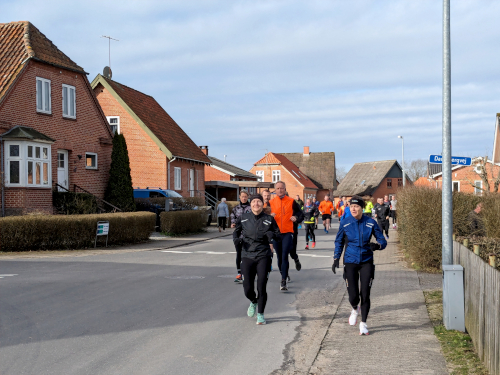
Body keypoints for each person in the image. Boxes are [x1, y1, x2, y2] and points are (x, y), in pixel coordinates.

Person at [332, 196, 387, 335]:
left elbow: (382, 240)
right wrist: (336, 258)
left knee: (365, 293)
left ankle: (363, 323)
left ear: (362, 208)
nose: (354, 209)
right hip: (350, 260)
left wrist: (377, 245)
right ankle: (355, 308)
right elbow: (338, 242)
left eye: (356, 206)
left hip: (366, 261)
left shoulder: (370, 222)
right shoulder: (345, 222)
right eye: (351, 207)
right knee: (353, 296)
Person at [233, 194, 281, 325]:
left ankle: (260, 314)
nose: (256, 204)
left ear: (262, 204)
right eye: (254, 201)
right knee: (247, 287)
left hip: (263, 255)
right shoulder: (243, 218)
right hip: (247, 255)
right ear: (250, 204)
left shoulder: (269, 219)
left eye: (259, 202)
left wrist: (272, 235)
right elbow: (236, 232)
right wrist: (236, 240)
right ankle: (253, 301)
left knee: (261, 286)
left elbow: (278, 235)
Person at [269, 181, 304, 291]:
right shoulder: (270, 202)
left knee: (285, 255)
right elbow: (263, 217)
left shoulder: (292, 201)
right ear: (275, 190)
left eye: (282, 188)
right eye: (278, 188)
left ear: (285, 189)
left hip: (288, 232)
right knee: (279, 257)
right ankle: (283, 273)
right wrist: (270, 216)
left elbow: (300, 214)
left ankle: (283, 281)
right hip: (276, 233)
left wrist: (296, 218)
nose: (280, 190)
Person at [230, 190, 252, 282]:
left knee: (247, 254)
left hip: (248, 235)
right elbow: (232, 217)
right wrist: (233, 223)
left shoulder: (251, 208)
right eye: (242, 196)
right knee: (239, 254)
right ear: (239, 197)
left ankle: (247, 272)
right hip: (238, 235)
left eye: (245, 196)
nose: (244, 198)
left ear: (248, 197)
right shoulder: (236, 208)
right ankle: (239, 273)